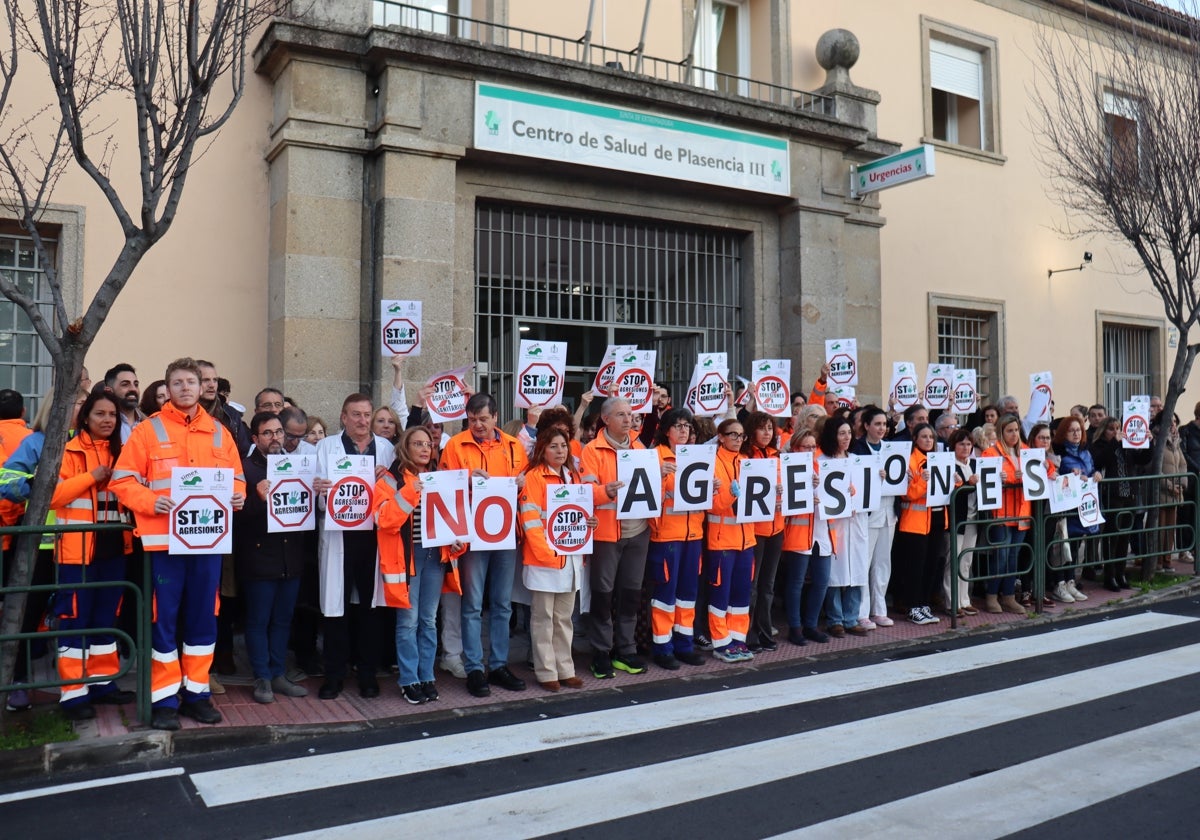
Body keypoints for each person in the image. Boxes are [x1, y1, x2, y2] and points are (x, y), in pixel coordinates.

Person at [111, 358, 247, 731]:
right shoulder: (147, 431)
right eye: (179, 382)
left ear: (204, 386)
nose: (186, 388)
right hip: (163, 546)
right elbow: (123, 482)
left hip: (207, 545)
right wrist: (149, 501)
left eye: (193, 381)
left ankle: (197, 694)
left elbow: (237, 480)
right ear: (167, 389)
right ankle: (165, 699)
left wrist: (238, 496)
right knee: (164, 622)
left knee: (204, 620)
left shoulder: (221, 432)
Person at [50, 386, 137, 720]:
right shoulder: (68, 450)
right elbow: (54, 496)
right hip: (77, 554)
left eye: (112, 414)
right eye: (100, 413)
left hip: (114, 551)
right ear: (85, 417)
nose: (107, 420)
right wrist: (92, 476)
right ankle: (73, 695)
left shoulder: (124, 453)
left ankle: (103, 684)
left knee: (105, 620)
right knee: (74, 622)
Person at [440, 392, 528, 697]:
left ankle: (500, 664)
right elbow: (441, 485)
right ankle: (475, 667)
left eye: (483, 418)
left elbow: (526, 483)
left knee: (503, 604)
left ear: (495, 417)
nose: (477, 424)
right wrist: (464, 478)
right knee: (473, 605)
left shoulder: (514, 446)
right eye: (472, 419)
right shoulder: (454, 444)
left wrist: (522, 483)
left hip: (504, 534)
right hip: (472, 535)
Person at [312, 394, 395, 700]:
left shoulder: (385, 449)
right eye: (356, 415)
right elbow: (315, 491)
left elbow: (396, 490)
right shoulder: (326, 447)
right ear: (343, 417)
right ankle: (334, 674)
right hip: (339, 536)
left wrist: (387, 481)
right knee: (337, 607)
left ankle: (368, 673)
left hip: (373, 536)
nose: (362, 421)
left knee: (371, 609)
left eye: (366, 415)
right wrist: (319, 489)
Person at [376, 426, 461, 704]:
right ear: (405, 448)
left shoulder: (440, 477)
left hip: (436, 555)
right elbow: (383, 519)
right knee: (408, 622)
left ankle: (427, 676)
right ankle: (409, 679)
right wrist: (410, 492)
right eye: (417, 444)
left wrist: (459, 542)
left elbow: (453, 519)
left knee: (428, 620)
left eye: (428, 444)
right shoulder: (391, 479)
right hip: (407, 558)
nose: (425, 448)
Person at [518, 410, 599, 691]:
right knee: (543, 620)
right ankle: (545, 671)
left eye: (564, 445)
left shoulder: (573, 478)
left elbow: (579, 516)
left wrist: (590, 522)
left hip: (570, 560)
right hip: (545, 562)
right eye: (553, 446)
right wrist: (548, 555)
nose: (560, 450)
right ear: (542, 447)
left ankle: (566, 668)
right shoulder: (534, 478)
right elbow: (530, 523)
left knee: (564, 619)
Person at [235, 412, 309, 704]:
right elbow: (236, 518)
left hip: (290, 556)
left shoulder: (298, 467)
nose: (275, 438)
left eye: (278, 432)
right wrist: (256, 499)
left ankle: (279, 673)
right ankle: (262, 676)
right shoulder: (245, 470)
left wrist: (316, 492)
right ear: (255, 439)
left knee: (283, 620)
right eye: (267, 433)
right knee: (258, 621)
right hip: (258, 558)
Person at [580, 397, 651, 678]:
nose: (628, 419)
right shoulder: (591, 451)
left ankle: (626, 650)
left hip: (638, 531)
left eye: (631, 414)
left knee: (631, 595)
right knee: (602, 595)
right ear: (606, 419)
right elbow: (585, 491)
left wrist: (662, 474)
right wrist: (604, 492)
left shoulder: (640, 448)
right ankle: (601, 652)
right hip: (607, 534)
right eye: (621, 414)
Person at [646, 407, 707, 670]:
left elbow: (707, 501)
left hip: (693, 534)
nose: (683, 431)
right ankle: (662, 647)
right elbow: (646, 497)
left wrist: (714, 488)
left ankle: (684, 643)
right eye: (678, 425)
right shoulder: (655, 457)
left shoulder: (698, 456)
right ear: (666, 430)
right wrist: (658, 476)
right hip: (667, 536)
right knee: (665, 596)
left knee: (687, 595)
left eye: (687, 426)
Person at [704, 417, 756, 661]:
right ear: (721, 437)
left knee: (741, 595)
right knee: (720, 595)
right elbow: (712, 506)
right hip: (722, 540)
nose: (738, 439)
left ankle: (738, 639)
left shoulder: (747, 462)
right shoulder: (712, 464)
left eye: (741, 435)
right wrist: (731, 497)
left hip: (746, 540)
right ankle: (721, 643)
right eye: (733, 434)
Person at [818, 415, 868, 636]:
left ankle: (851, 617)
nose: (847, 437)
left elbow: (867, 490)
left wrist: (878, 478)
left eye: (849, 432)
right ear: (832, 435)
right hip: (834, 523)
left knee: (856, 570)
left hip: (856, 522)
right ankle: (835, 618)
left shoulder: (857, 460)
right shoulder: (822, 461)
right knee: (836, 574)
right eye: (841, 433)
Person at [780, 430, 830, 646]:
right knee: (796, 582)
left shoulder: (822, 467)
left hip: (822, 532)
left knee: (822, 581)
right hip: (799, 533)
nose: (810, 451)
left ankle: (811, 625)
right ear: (794, 449)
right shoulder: (785, 468)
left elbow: (848, 491)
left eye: (813, 447)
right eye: (805, 447)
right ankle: (795, 627)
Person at [741, 411, 784, 651]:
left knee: (767, 585)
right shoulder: (745, 456)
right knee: (752, 585)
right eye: (762, 428)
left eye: (770, 428)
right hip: (754, 529)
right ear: (752, 430)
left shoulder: (779, 457)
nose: (767, 432)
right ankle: (748, 634)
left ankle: (765, 631)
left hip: (776, 527)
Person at [981, 414, 1031, 616]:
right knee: (1001, 556)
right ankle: (992, 595)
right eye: (1009, 430)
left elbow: (1043, 469)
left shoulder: (1026, 452)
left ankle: (1008, 595)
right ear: (1001, 431)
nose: (1014, 434)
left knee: (1013, 556)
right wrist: (1012, 477)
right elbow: (987, 477)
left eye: (1016, 430)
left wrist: (1049, 467)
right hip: (1001, 513)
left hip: (1022, 512)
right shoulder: (990, 453)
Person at [1091, 416, 1147, 590]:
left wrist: (1149, 442)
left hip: (1129, 494)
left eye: (1118, 428)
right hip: (1112, 496)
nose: (1116, 432)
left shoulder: (1127, 445)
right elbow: (1101, 461)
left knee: (1125, 535)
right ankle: (1110, 575)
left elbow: (1143, 459)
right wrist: (1114, 443)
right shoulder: (1100, 446)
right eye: (1111, 429)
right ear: (1103, 431)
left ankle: (1121, 572)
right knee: (1112, 535)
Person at [851, 406, 895, 626]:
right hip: (868, 512)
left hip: (889, 511)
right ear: (866, 425)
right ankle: (861, 612)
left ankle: (880, 608)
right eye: (877, 424)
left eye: (884, 424)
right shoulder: (857, 449)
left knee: (882, 562)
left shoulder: (892, 450)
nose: (881, 428)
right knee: (864, 561)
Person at [1050, 416, 1098, 601]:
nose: (1077, 433)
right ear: (1063, 433)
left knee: (1076, 545)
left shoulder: (1085, 452)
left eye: (1079, 430)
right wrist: (1070, 475)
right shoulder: (1059, 452)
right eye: (1072, 430)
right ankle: (1059, 583)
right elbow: (1055, 474)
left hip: (1082, 506)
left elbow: (1091, 470)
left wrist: (1096, 474)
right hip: (1065, 506)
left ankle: (1071, 581)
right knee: (1062, 547)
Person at [945, 428, 980, 617]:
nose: (965, 447)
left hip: (973, 518)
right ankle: (952, 602)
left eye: (968, 444)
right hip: (957, 519)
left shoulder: (975, 464)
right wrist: (968, 483)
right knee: (954, 561)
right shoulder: (950, 465)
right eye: (961, 444)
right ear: (954, 446)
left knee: (966, 561)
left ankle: (964, 600)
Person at [1154, 411, 1187, 571]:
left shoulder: (1176, 441)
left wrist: (1181, 483)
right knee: (1160, 528)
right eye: (1170, 421)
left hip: (1175, 493)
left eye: (1175, 421)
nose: (1173, 424)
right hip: (1161, 492)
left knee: (1170, 528)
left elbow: (1182, 464)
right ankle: (1157, 561)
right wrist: (1169, 485)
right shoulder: (1156, 440)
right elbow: (1154, 468)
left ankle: (1167, 560)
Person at [103, 363, 144, 443]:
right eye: (125, 384)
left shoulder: (149, 423)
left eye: (136, 384)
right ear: (109, 391)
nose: (133, 389)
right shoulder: (104, 426)